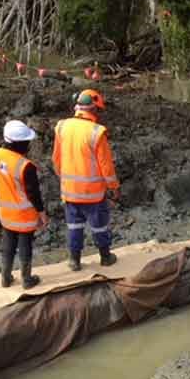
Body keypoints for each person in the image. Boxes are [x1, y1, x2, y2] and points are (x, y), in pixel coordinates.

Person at [52, 88, 120, 271]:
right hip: (93, 194)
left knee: (74, 226)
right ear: (95, 109)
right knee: (99, 226)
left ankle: (74, 261)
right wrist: (113, 186)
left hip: (70, 192)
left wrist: (65, 180)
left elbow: (56, 160)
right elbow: (106, 165)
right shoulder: (97, 132)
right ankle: (105, 257)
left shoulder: (62, 127)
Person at [0, 120, 48, 289]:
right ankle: (27, 279)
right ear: (20, 144)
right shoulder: (25, 166)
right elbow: (33, 194)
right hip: (24, 215)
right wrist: (42, 213)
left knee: (8, 242)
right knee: (24, 245)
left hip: (5, 212)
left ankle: (5, 278)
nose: (28, 145)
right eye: (27, 142)